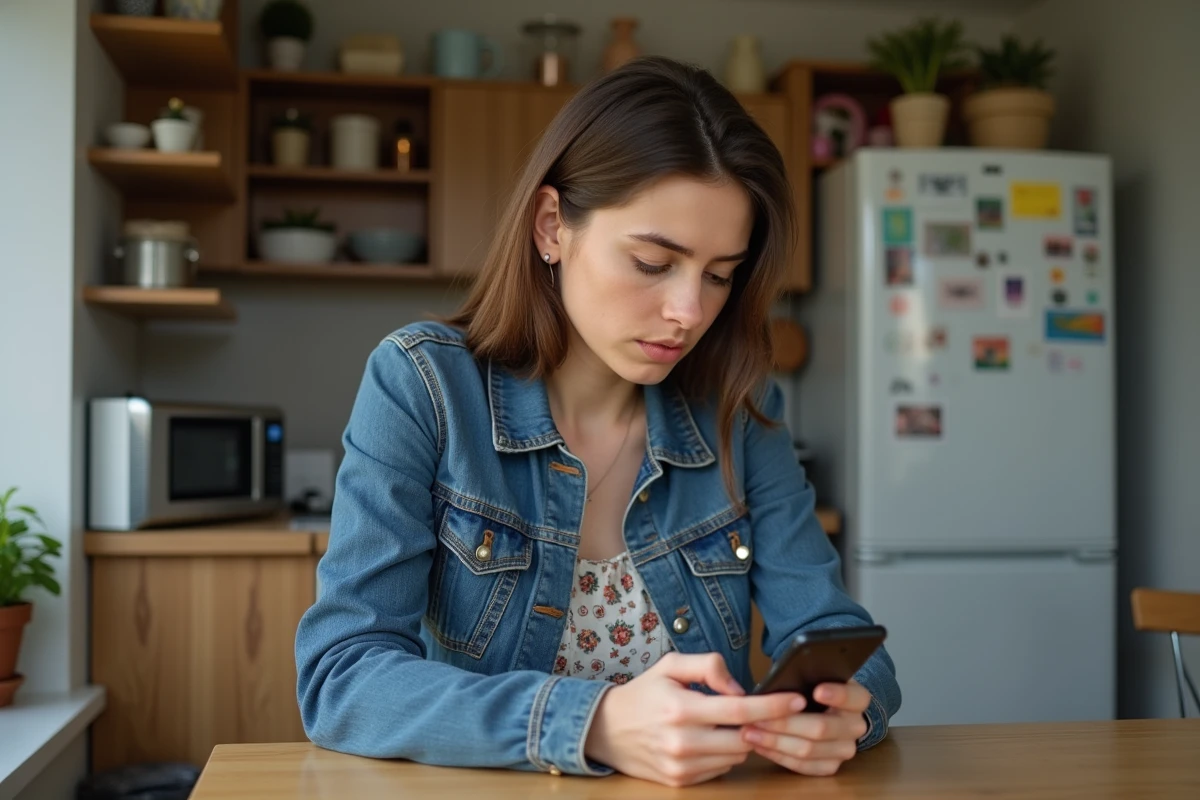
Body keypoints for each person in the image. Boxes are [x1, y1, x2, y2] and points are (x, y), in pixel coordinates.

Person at [295, 55, 900, 788]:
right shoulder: (424, 385)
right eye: (652, 262)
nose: (689, 312)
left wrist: (846, 712)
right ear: (553, 226)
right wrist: (593, 723)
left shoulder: (740, 409)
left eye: (718, 275)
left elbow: (837, 635)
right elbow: (342, 678)